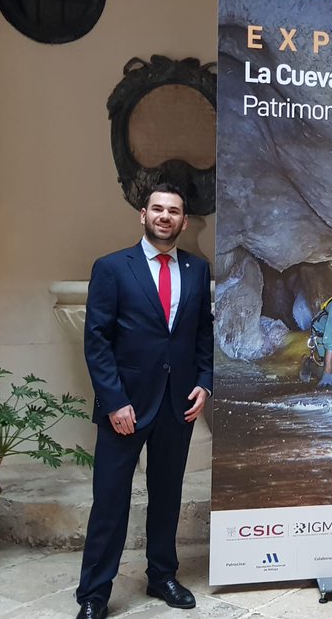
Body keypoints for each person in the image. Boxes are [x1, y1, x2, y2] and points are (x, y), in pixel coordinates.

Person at [76, 184, 213, 619]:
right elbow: (97, 340)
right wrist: (114, 401)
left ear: (184, 221)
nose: (165, 216)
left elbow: (202, 332)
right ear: (143, 214)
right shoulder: (113, 268)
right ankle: (94, 594)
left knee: (167, 495)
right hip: (126, 408)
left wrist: (205, 382)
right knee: (110, 501)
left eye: (173, 211)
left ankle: (162, 575)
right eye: (158, 209)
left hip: (178, 404)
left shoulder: (197, 269)